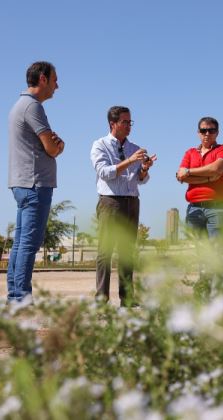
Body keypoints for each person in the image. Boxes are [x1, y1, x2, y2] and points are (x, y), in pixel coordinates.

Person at [7, 61, 65, 304]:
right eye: (54, 80)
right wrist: (60, 146)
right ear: (43, 79)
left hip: (22, 183)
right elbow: (51, 147)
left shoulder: (20, 105)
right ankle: (20, 298)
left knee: (21, 243)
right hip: (35, 183)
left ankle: (15, 296)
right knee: (29, 244)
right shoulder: (33, 107)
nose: (57, 86)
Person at [90, 106, 157, 307]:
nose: (129, 126)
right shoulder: (99, 145)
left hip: (131, 201)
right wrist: (130, 161)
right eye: (125, 122)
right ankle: (101, 300)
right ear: (113, 124)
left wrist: (144, 169)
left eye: (130, 122)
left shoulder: (135, 148)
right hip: (110, 202)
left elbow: (140, 180)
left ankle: (127, 299)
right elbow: (105, 172)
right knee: (105, 252)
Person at [176, 117, 223, 244]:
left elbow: (216, 168)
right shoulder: (190, 153)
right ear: (198, 133)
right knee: (194, 253)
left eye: (211, 130)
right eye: (203, 130)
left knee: (218, 253)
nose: (207, 133)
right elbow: (181, 176)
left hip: (219, 208)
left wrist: (189, 172)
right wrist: (208, 177)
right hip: (194, 209)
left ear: (217, 133)